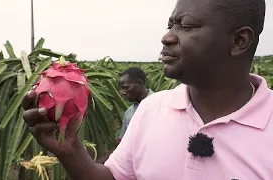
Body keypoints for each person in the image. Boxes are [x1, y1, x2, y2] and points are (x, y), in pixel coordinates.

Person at [22, 0, 271, 179]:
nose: (167, 37)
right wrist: (70, 150)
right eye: (170, 25)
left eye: (186, 26)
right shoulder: (152, 108)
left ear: (239, 41)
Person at [95, 67, 154, 164]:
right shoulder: (129, 113)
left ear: (139, 83)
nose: (122, 92)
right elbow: (123, 145)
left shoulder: (162, 104)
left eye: (126, 87)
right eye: (121, 89)